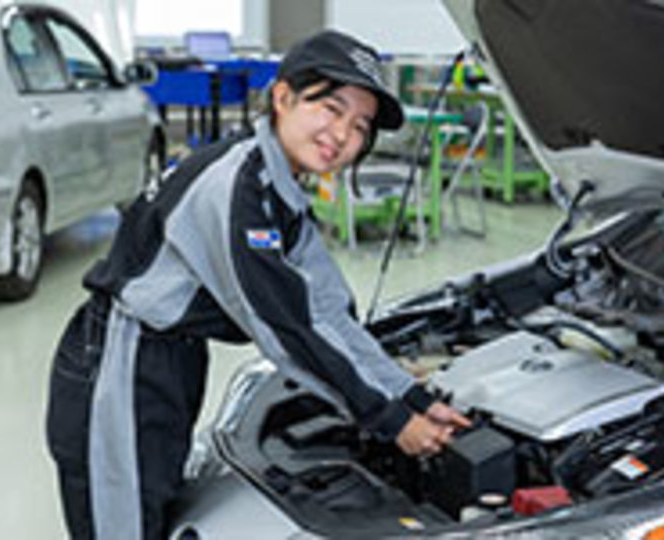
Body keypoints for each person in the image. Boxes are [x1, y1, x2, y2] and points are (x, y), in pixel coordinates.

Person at [45, 29, 470, 539]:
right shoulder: (237, 189)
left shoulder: (277, 188)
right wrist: (390, 420)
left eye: (360, 126)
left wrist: (409, 396)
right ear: (283, 96)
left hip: (165, 359)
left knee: (151, 509)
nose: (343, 135)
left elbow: (328, 311)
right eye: (330, 109)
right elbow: (286, 324)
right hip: (122, 359)